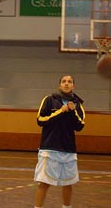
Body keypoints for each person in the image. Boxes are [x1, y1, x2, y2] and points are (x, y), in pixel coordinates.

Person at [34, 75, 85, 208]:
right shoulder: (49, 100)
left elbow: (80, 126)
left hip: (68, 149)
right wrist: (60, 112)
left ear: (73, 86)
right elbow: (40, 120)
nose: (66, 84)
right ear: (59, 85)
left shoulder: (77, 104)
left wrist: (72, 111)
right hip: (50, 148)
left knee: (68, 184)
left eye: (69, 82)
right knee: (44, 183)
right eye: (64, 81)